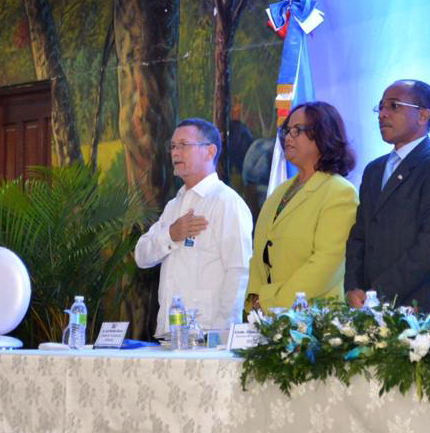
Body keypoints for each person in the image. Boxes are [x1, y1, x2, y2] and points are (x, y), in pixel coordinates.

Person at [344, 80, 430, 311]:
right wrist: (353, 287)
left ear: (423, 116)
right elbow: (359, 237)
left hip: (418, 308)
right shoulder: (373, 170)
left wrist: (376, 294)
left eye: (393, 106)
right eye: (380, 107)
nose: (382, 114)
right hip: (368, 306)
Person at [134, 118, 253, 335]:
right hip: (168, 333)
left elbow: (239, 271)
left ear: (209, 151)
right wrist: (171, 234)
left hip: (206, 335)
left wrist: (221, 334)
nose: (175, 153)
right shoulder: (173, 206)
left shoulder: (226, 202)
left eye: (183, 145)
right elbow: (141, 256)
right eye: (173, 147)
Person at [246, 101, 359, 311]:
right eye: (287, 130)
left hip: (313, 318)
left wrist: (272, 302)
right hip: (267, 317)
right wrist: (255, 299)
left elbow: (326, 264)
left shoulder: (339, 192)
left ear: (324, 134)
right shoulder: (280, 192)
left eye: (297, 130)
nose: (288, 137)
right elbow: (259, 252)